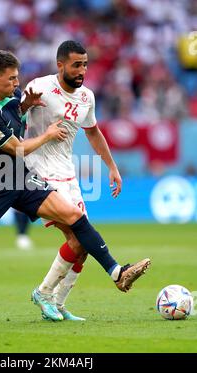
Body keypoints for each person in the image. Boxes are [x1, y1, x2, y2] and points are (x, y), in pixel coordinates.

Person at [0, 50, 150, 327]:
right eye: (10, 80)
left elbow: (16, 122)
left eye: (17, 77)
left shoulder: (12, 98)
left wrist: (23, 107)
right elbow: (17, 148)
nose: (16, 84)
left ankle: (117, 272)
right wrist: (47, 135)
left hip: (21, 180)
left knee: (75, 218)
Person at [23, 40, 150, 321]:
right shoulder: (39, 87)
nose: (82, 70)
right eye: (76, 64)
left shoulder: (87, 98)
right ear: (60, 65)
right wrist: (24, 106)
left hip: (68, 173)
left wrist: (112, 167)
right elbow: (12, 120)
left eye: (85, 64)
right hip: (39, 172)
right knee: (79, 236)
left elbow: (93, 132)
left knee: (83, 245)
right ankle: (46, 293)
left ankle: (57, 303)